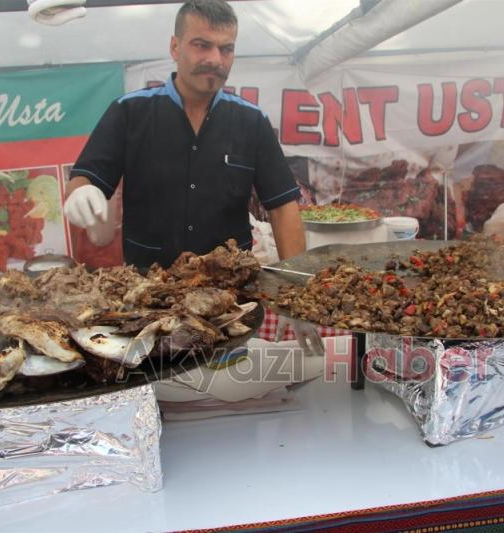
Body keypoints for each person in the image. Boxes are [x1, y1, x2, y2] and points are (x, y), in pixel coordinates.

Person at [63, 0, 323, 357]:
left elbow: (282, 207)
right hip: (149, 302)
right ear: (175, 47)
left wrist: (297, 295)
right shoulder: (130, 112)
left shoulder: (251, 122)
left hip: (229, 306)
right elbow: (86, 177)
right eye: (202, 45)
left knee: (228, 384)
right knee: (159, 382)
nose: (215, 59)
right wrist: (81, 192)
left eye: (226, 48)